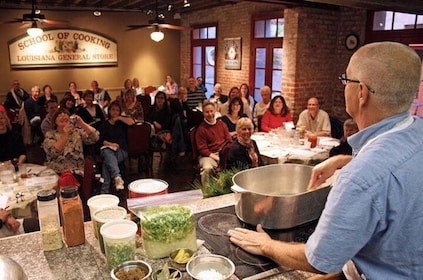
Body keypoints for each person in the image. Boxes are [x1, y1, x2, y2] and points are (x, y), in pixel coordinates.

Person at [228, 42, 423, 279]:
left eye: (346, 80)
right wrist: (343, 160)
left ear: (361, 92)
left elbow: (320, 259)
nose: (344, 86)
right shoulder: (416, 130)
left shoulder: (362, 176)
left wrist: (265, 245)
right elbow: (395, 166)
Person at [43, 108, 99, 183]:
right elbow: (52, 152)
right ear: (55, 121)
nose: (63, 116)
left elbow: (95, 137)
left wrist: (82, 123)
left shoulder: (77, 132)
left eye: (66, 115)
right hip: (54, 171)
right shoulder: (50, 135)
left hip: (74, 172)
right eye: (59, 115)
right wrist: (65, 135)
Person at [99, 101, 135, 193]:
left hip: (121, 150)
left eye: (117, 110)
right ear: (109, 110)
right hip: (107, 148)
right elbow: (101, 140)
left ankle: (105, 190)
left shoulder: (121, 122)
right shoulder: (105, 124)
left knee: (106, 163)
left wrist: (119, 118)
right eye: (113, 110)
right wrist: (110, 144)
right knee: (107, 153)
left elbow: (132, 122)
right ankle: (117, 177)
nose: (115, 112)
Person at [195, 102, 232, 186]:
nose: (210, 114)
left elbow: (229, 140)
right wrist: (216, 157)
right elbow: (202, 149)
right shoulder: (201, 129)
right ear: (203, 113)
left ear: (215, 111)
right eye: (207, 112)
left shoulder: (222, 125)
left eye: (211, 111)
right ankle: (207, 192)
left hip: (223, 152)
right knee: (207, 169)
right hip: (208, 155)